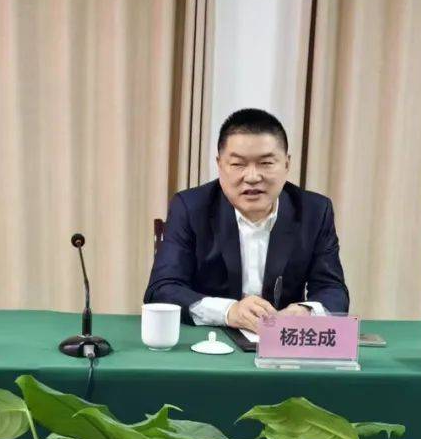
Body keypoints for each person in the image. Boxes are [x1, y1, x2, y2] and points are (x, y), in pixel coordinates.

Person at [144, 108, 349, 331]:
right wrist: (229, 312)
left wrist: (307, 312)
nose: (252, 177)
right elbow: (162, 289)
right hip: (211, 340)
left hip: (282, 343)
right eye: (238, 164)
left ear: (287, 164)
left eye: (266, 163)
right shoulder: (190, 207)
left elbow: (333, 291)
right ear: (220, 165)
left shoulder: (314, 211)